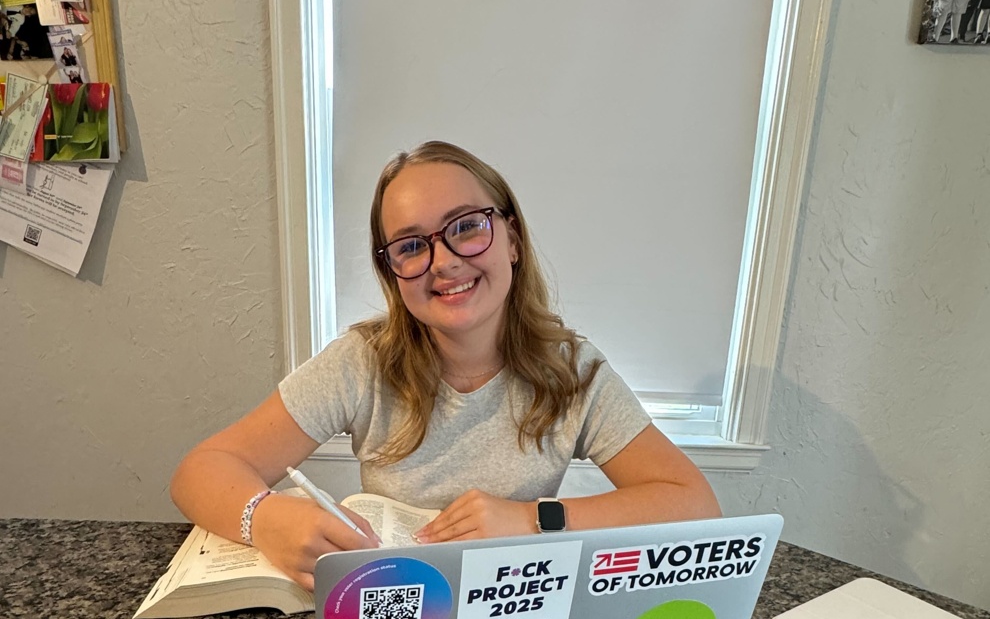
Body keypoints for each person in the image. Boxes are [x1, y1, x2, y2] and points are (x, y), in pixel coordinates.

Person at [171, 141, 721, 590]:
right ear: (393, 275)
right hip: (397, 605)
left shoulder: (572, 371)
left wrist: (532, 520)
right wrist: (267, 519)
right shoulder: (362, 362)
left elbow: (693, 504)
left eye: (465, 227)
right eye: (411, 246)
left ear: (512, 240)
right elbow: (201, 470)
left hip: (515, 606)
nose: (443, 262)